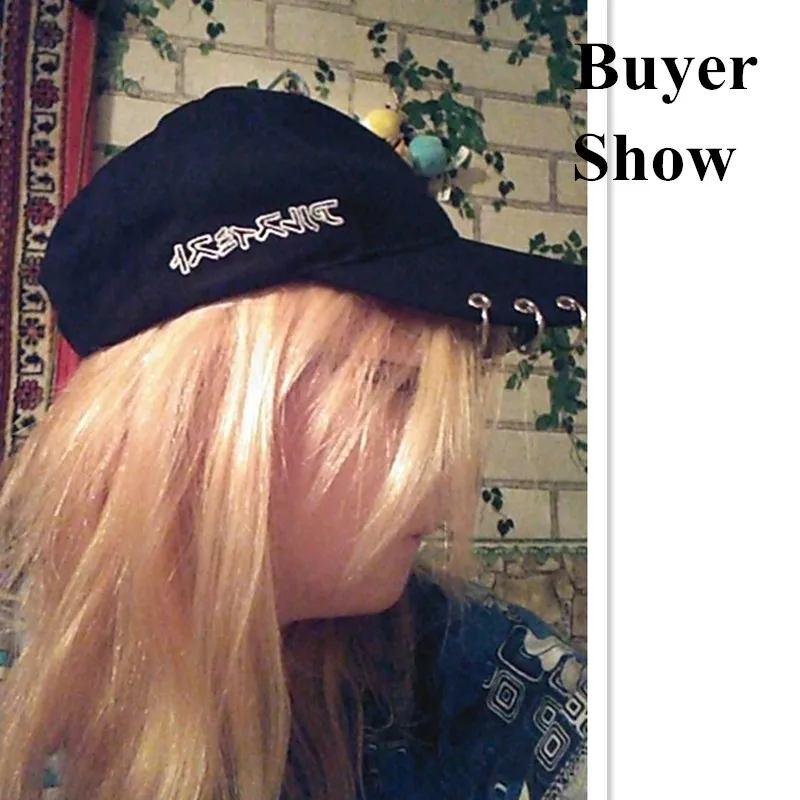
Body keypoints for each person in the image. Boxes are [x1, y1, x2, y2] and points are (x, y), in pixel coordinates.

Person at [0, 87, 588, 799]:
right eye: (395, 384)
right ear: (199, 402)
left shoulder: (480, 686)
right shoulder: (22, 685)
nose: (452, 461)